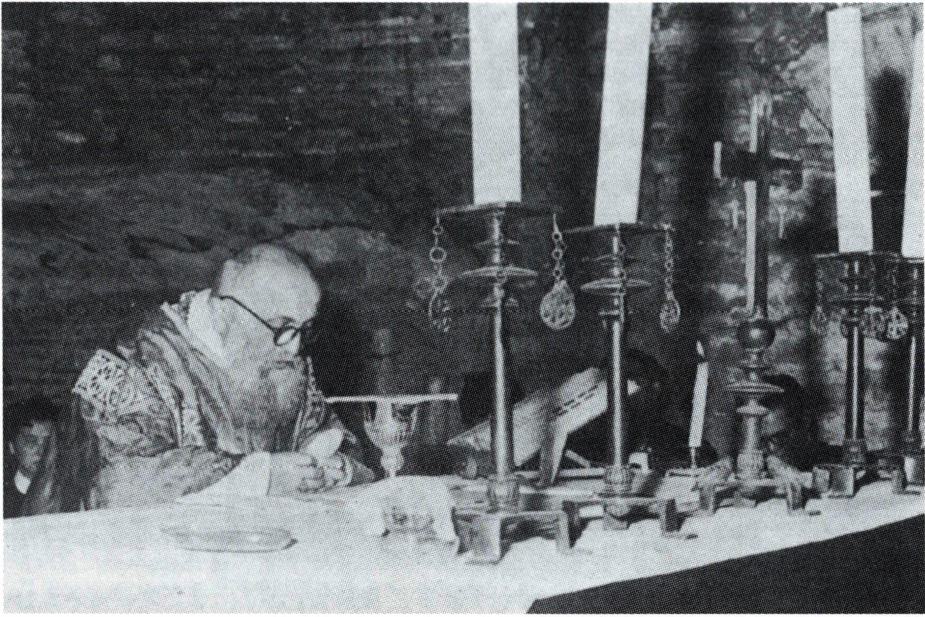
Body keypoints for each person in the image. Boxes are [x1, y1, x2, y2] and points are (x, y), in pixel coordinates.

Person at [27, 244, 374, 513]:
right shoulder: (128, 358)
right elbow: (118, 484)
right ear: (224, 310)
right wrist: (263, 476)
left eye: (304, 328)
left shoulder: (282, 356)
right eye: (282, 327)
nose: (294, 348)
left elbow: (332, 435)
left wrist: (333, 466)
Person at [4, 395, 58, 518]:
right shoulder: (5, 499)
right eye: (31, 441)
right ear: (12, 446)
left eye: (47, 442)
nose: (41, 451)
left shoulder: (67, 493)